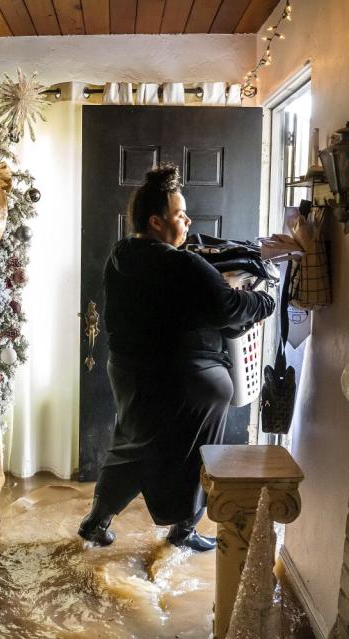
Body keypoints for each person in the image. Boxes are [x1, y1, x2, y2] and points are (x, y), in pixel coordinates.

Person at [78, 164, 276, 552]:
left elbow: (169, 308)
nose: (187, 220)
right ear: (156, 221)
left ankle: (97, 520)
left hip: (129, 373)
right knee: (196, 452)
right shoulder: (181, 263)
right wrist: (266, 300)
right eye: (179, 213)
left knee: (132, 444)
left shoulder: (121, 255)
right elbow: (230, 307)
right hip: (182, 380)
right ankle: (183, 529)